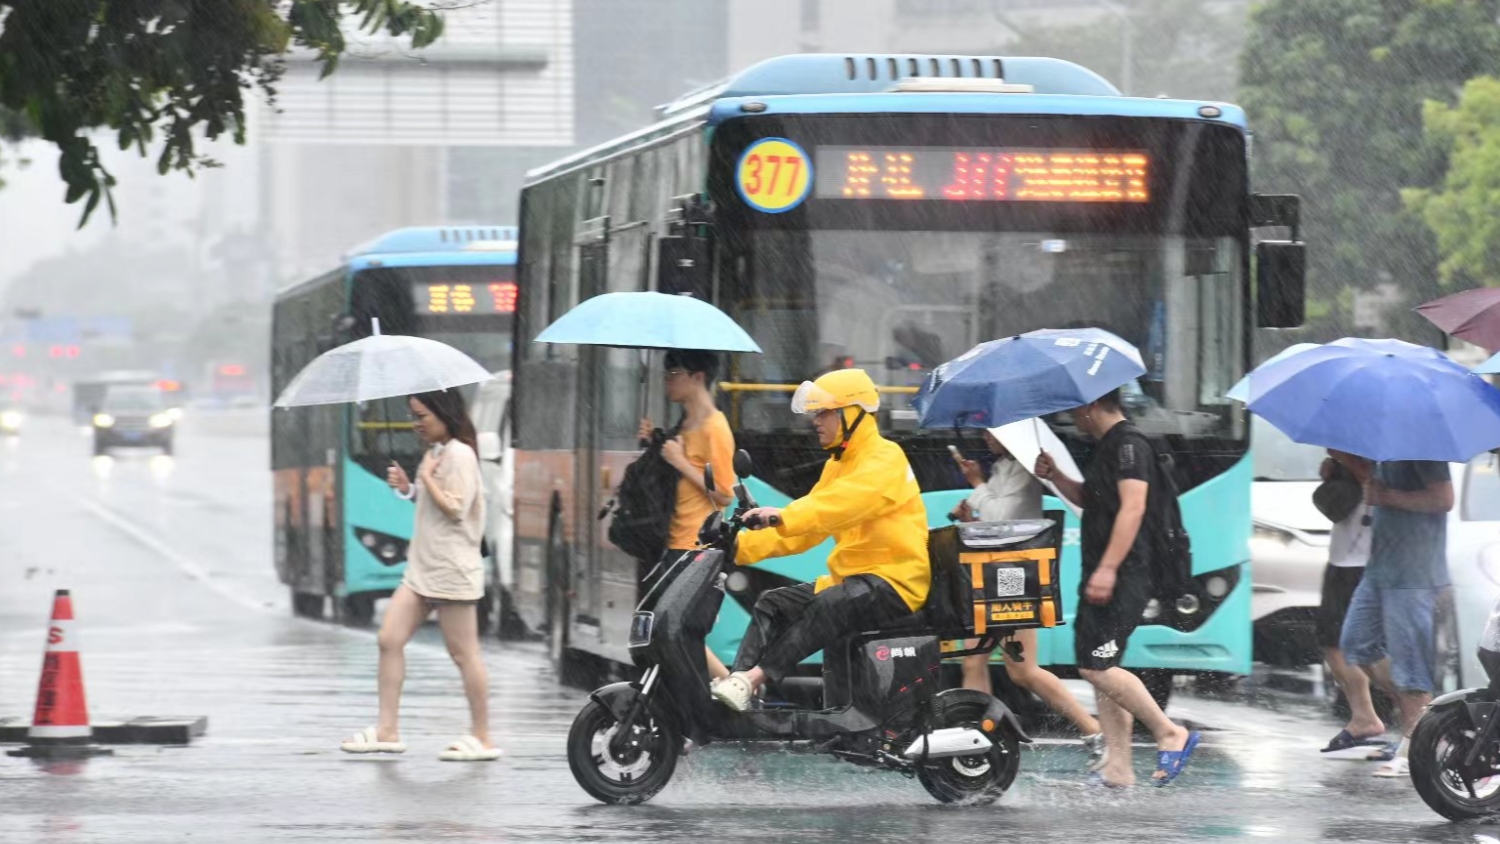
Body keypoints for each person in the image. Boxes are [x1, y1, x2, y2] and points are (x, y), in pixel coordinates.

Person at [712, 369, 929, 711]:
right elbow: (810, 531)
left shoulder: (885, 458)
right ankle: (741, 691)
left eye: (825, 412)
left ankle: (754, 678)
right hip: (853, 580)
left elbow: (837, 506)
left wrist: (781, 515)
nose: (816, 421)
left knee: (830, 605)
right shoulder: (837, 466)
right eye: (816, 414)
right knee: (772, 602)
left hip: (894, 582)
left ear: (852, 413)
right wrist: (739, 548)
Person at [1035, 388, 1198, 787]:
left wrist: (1108, 569)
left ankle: (1169, 732)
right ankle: (1118, 768)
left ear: (1091, 406)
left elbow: (1134, 506)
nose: (1072, 416)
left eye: (1075, 407)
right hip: (1103, 572)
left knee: (1096, 665)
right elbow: (1092, 501)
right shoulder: (1107, 446)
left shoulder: (1129, 445)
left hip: (1126, 573)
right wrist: (1055, 475)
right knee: (1100, 667)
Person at [339, 389, 501, 762]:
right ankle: (387, 730)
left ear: (445, 414)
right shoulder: (438, 453)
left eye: (422, 416)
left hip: (451, 570)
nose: (417, 425)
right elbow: (434, 504)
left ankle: (483, 737)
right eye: (413, 416)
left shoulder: (460, 454)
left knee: (464, 654)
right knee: (389, 638)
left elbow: (457, 509)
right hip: (422, 568)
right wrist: (409, 488)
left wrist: (426, 478)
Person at [954, 430, 1106, 767]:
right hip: (993, 573)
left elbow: (1004, 515)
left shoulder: (1024, 468)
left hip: (1015, 578)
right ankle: (979, 743)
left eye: (991, 431)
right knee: (973, 660)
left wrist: (976, 484)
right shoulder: (1003, 468)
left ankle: (1094, 731)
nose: (984, 437)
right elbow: (995, 522)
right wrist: (971, 519)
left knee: (1023, 671)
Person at [1340, 458, 1453, 777]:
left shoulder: (1423, 446)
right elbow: (1378, 487)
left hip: (1414, 573)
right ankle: (1424, 725)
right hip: (1380, 569)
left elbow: (1443, 499)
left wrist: (1388, 497)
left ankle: (1418, 746)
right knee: (1356, 644)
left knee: (1411, 664)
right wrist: (1348, 462)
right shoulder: (1384, 447)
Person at [637, 349, 736, 684]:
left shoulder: (715, 428)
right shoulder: (686, 425)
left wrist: (680, 461)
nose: (667, 382)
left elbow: (724, 492)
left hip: (697, 546)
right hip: (675, 543)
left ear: (697, 378)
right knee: (664, 631)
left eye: (674, 374)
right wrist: (656, 443)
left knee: (678, 632)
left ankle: (736, 690)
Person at [1314, 450, 1388, 758]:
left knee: (1366, 647)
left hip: (1365, 559)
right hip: (1343, 556)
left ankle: (1421, 714)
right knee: (1333, 641)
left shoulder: (1381, 437)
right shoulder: (1354, 431)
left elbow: (1369, 472)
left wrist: (1343, 458)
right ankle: (1363, 717)